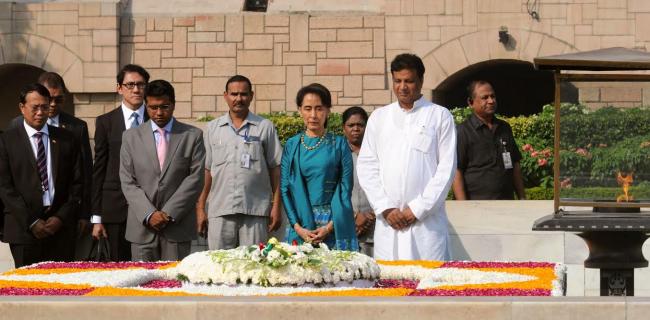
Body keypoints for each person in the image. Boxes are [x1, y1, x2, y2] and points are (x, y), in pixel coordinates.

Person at [357, 53, 456, 261]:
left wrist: (417, 209)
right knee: (391, 286)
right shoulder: (379, 117)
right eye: (397, 81)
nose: (402, 87)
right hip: (388, 224)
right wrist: (385, 207)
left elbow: (446, 170)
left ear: (420, 81)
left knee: (430, 287)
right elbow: (367, 166)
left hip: (425, 226)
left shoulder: (439, 116)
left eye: (409, 81)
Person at [7, 72, 93, 258]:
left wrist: (61, 217)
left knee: (62, 286)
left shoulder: (67, 138)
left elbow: (77, 181)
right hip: (24, 230)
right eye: (35, 107)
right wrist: (31, 221)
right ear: (22, 107)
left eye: (45, 107)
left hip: (60, 228)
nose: (41, 112)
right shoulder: (8, 139)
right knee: (26, 287)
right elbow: (5, 186)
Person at [119, 80, 205, 261]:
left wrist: (168, 213)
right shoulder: (130, 137)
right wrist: (149, 214)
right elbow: (127, 180)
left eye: (164, 107)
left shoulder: (192, 136)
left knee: (175, 285)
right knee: (142, 286)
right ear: (145, 105)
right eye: (153, 107)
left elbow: (195, 179)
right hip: (142, 227)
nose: (158, 113)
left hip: (177, 226)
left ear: (173, 104)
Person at [196, 75, 283, 250]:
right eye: (234, 94)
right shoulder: (212, 128)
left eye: (243, 94)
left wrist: (276, 206)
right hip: (220, 211)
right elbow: (206, 171)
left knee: (254, 267)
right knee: (219, 267)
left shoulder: (265, 127)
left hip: (255, 211)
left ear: (251, 95)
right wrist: (200, 208)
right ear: (225, 95)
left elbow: (276, 170)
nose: (238, 99)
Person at [280, 83, 357, 250]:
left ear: (328, 110)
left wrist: (329, 227)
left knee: (337, 275)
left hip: (333, 222)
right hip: (300, 223)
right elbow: (285, 189)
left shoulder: (339, 144)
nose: (313, 115)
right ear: (299, 110)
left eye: (319, 108)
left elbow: (345, 188)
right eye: (308, 108)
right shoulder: (292, 146)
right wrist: (298, 227)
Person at [91, 64, 150, 261]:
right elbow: (99, 169)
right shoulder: (105, 122)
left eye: (141, 84)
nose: (136, 89)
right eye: (130, 84)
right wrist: (97, 217)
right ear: (119, 88)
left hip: (150, 207)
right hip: (115, 209)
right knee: (118, 268)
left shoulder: (156, 119)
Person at [453, 80, 526, 200]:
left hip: (506, 204)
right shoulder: (463, 131)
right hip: (477, 206)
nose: (491, 101)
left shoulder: (504, 128)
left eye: (493, 96)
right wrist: (463, 207)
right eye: (485, 98)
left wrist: (522, 197)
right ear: (471, 102)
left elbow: (515, 164)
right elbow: (456, 171)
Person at [342, 106, 375, 256]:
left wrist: (370, 216)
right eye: (351, 125)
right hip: (346, 226)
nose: (356, 129)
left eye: (360, 125)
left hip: (375, 228)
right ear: (344, 128)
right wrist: (355, 216)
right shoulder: (337, 155)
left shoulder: (377, 153)